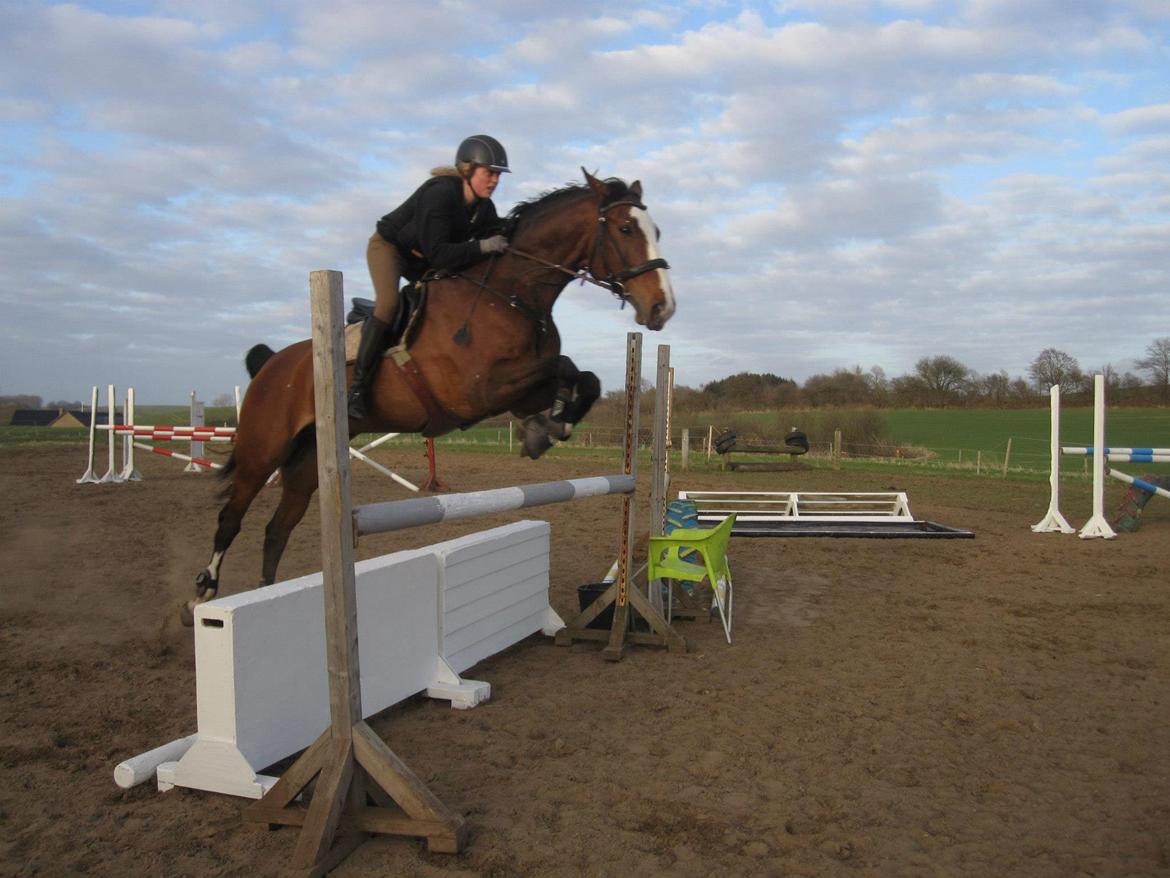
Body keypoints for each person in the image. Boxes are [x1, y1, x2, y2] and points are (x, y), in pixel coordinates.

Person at [348, 134, 512, 419]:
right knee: (388, 304)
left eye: (498, 175)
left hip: (422, 259)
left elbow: (499, 231)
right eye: (490, 173)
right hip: (391, 249)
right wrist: (483, 246)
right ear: (468, 169)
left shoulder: (484, 208)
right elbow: (439, 255)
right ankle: (358, 390)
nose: (495, 180)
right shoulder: (440, 193)